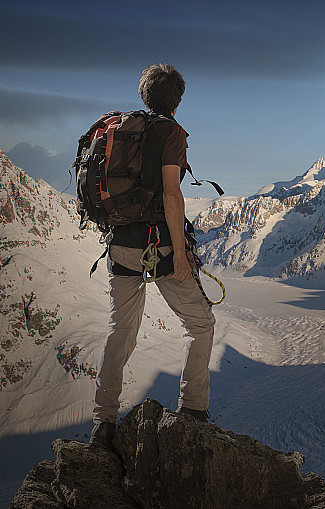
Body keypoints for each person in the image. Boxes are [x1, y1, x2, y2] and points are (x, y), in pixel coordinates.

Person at [90, 63, 216, 448]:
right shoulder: (170, 133)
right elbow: (171, 194)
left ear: (145, 95)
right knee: (201, 324)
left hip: (120, 244)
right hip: (157, 245)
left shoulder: (122, 130)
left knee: (120, 332)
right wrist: (180, 254)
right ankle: (193, 410)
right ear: (178, 100)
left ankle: (103, 421)